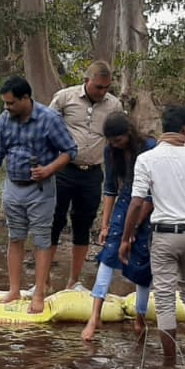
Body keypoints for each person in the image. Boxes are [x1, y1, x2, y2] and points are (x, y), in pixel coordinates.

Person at [120, 105, 185, 361]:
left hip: (163, 235)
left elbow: (136, 202)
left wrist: (127, 237)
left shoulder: (147, 159)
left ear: (163, 128)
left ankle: (170, 366)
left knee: (166, 299)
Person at [0, 75, 78, 314]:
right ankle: (13, 289)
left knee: (42, 239)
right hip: (13, 187)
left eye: (10, 103)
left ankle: (40, 293)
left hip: (41, 189)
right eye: (5, 103)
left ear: (25, 99)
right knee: (15, 237)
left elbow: (70, 151)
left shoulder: (49, 119)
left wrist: (49, 169)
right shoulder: (3, 120)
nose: (6, 107)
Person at [48, 61, 123, 291]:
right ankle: (43, 281)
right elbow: (46, 127)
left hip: (92, 173)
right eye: (98, 87)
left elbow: (119, 139)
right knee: (53, 223)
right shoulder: (64, 97)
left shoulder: (114, 105)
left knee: (82, 225)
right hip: (63, 171)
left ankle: (74, 281)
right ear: (86, 81)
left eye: (106, 88)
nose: (102, 92)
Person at [82, 112, 156, 342]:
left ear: (129, 134)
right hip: (126, 201)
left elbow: (153, 193)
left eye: (119, 140)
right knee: (108, 255)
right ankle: (94, 316)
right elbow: (111, 188)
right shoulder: (110, 151)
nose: (115, 145)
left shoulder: (150, 147)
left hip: (149, 202)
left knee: (143, 261)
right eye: (111, 141)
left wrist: (134, 228)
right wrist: (105, 224)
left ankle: (140, 318)